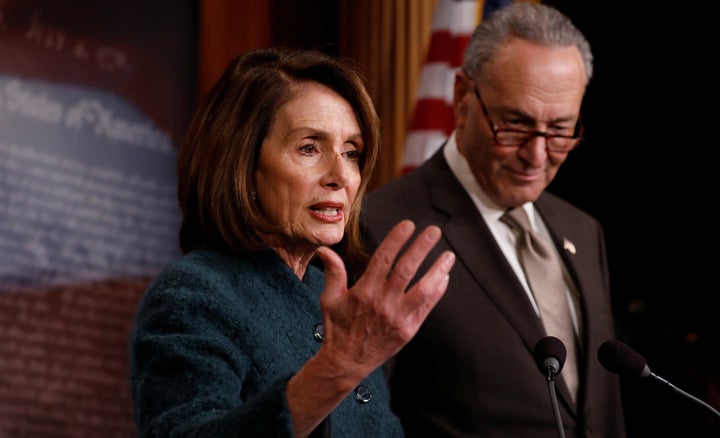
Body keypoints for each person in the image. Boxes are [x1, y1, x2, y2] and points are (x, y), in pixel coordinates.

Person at [128, 47, 456, 437]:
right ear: (243, 166)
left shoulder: (327, 293)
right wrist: (336, 369)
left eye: (351, 152)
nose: (341, 175)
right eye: (309, 148)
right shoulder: (194, 295)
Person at [356, 3, 626, 437]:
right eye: (515, 124)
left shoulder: (582, 230)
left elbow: (601, 411)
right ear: (462, 96)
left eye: (560, 130)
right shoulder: (382, 228)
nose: (537, 156)